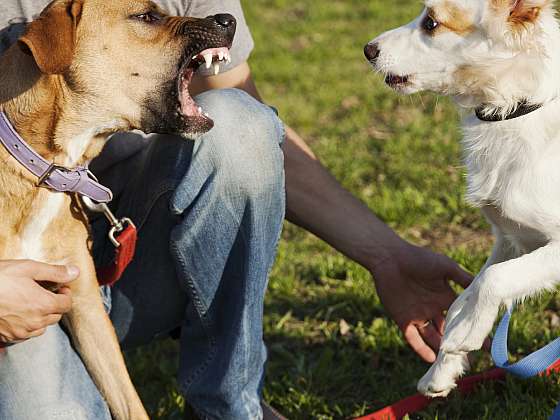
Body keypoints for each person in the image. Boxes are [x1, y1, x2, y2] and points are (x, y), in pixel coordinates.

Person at [0, 0, 472, 419]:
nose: (172, 24)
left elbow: (255, 138)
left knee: (240, 123)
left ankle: (231, 405)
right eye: (147, 19)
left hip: (129, 263)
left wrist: (386, 255)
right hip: (13, 295)